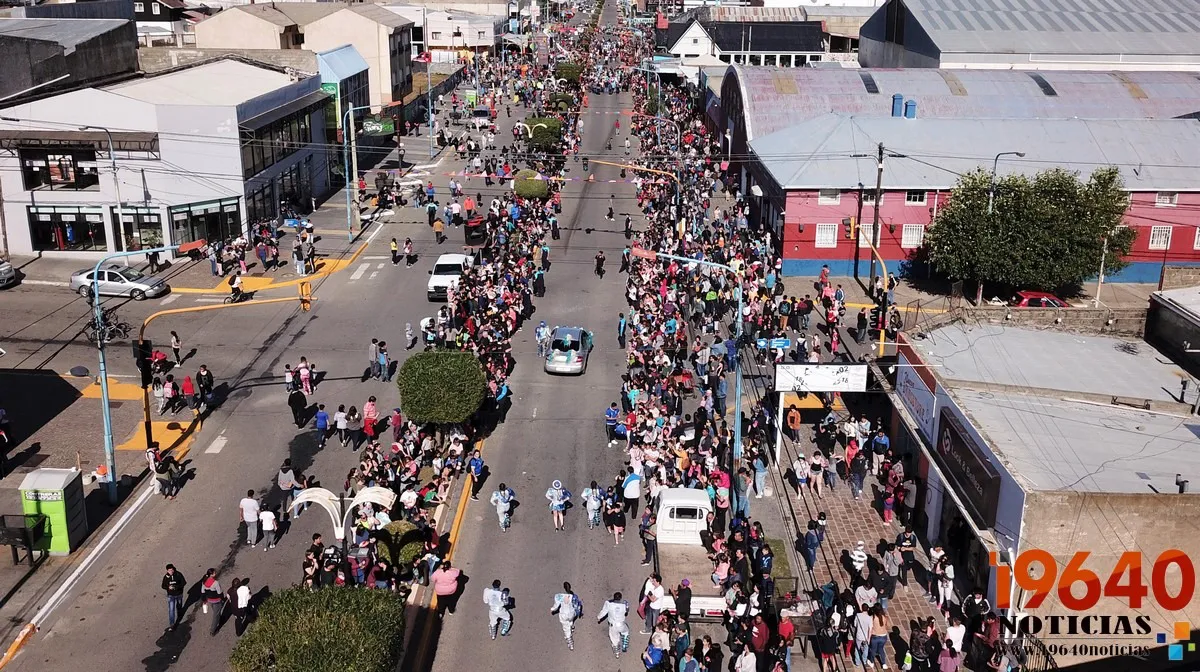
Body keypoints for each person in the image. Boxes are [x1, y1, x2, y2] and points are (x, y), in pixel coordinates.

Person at [597, 591, 631, 658]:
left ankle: (617, 652)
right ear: (620, 598)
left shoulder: (609, 604)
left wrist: (599, 617)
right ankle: (624, 644)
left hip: (613, 625)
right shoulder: (624, 604)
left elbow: (604, 611)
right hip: (621, 624)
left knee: (614, 639)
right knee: (626, 632)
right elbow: (627, 611)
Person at [551, 581, 582, 651]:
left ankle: (570, 643)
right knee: (570, 620)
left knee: (566, 629)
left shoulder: (559, 596)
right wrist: (579, 613)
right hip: (571, 614)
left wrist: (552, 609)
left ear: (564, 588)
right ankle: (571, 625)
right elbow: (577, 606)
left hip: (563, 615)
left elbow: (556, 606)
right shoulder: (573, 596)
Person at [162, 564, 186, 632]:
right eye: (169, 570)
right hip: (171, 595)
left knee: (179, 607)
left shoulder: (178, 574)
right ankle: (172, 624)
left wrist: (176, 587)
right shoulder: (166, 577)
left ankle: (179, 616)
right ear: (167, 570)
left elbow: (183, 583)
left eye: (172, 570)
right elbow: (163, 586)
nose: (171, 571)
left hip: (179, 594)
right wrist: (168, 587)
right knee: (171, 610)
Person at [202, 568, 224, 635]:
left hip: (209, 600)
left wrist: (204, 600)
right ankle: (213, 630)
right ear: (211, 575)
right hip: (216, 600)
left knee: (216, 611)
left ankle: (220, 619)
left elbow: (203, 592)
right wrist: (222, 599)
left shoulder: (204, 582)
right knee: (215, 615)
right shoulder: (215, 583)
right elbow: (219, 592)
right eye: (214, 573)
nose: (215, 574)